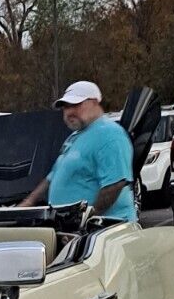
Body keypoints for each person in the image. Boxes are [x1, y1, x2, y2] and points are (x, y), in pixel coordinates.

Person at [20, 80, 137, 221]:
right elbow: (52, 177)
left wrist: (86, 219)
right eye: (65, 107)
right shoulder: (75, 137)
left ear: (94, 102)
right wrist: (27, 203)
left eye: (75, 105)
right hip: (73, 228)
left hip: (106, 231)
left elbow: (115, 184)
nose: (69, 112)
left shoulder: (110, 134)